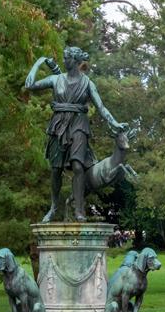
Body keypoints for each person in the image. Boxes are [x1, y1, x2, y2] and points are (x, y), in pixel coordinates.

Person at [24, 46, 127, 222]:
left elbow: (101, 107)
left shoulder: (87, 83)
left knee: (78, 166)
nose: (64, 61)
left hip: (79, 124)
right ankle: (54, 207)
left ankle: (79, 210)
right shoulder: (56, 79)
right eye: (64, 58)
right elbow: (30, 85)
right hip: (59, 126)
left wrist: (114, 123)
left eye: (67, 58)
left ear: (76, 61)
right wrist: (38, 62)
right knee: (55, 170)